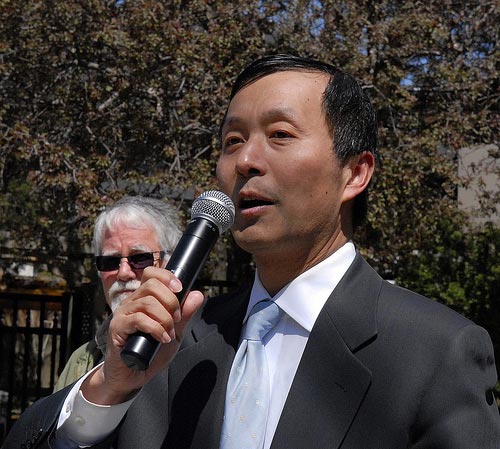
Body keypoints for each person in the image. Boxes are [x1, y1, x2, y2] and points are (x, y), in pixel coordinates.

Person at [3, 54, 500, 449]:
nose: (245, 160)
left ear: (355, 173)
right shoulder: (172, 339)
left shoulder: (436, 352)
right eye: (232, 140)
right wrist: (110, 385)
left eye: (280, 135)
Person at [53, 195, 182, 391]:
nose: (123, 273)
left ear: (171, 263)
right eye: (110, 261)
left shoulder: (203, 346)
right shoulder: (82, 360)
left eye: (140, 258)